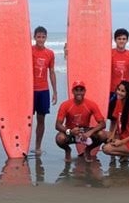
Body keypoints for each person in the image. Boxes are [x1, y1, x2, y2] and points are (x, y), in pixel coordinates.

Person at [55, 80, 109, 163]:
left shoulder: (91, 104)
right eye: (76, 90)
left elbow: (102, 124)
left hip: (85, 131)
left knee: (102, 135)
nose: (79, 92)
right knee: (60, 138)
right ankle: (67, 150)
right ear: (73, 91)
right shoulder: (65, 105)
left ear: (85, 91)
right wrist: (69, 131)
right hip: (71, 131)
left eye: (81, 90)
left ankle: (88, 149)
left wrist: (90, 132)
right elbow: (57, 125)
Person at [103, 81, 129, 162]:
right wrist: (112, 135)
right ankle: (124, 154)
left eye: (123, 91)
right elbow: (117, 120)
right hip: (123, 136)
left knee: (106, 149)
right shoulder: (119, 102)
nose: (119, 92)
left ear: (128, 93)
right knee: (102, 135)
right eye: (118, 89)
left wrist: (121, 142)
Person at [32, 26, 57, 154]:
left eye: (43, 37)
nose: (41, 39)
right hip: (29, 91)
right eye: (38, 37)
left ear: (46, 38)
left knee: (41, 120)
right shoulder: (29, 51)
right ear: (34, 37)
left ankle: (37, 147)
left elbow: (52, 72)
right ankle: (20, 144)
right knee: (27, 119)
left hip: (43, 90)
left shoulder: (50, 54)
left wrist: (55, 92)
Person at [110, 28, 129, 99]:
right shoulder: (109, 53)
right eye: (119, 39)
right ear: (115, 40)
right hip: (112, 90)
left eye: (124, 39)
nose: (121, 41)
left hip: (127, 90)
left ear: (127, 40)